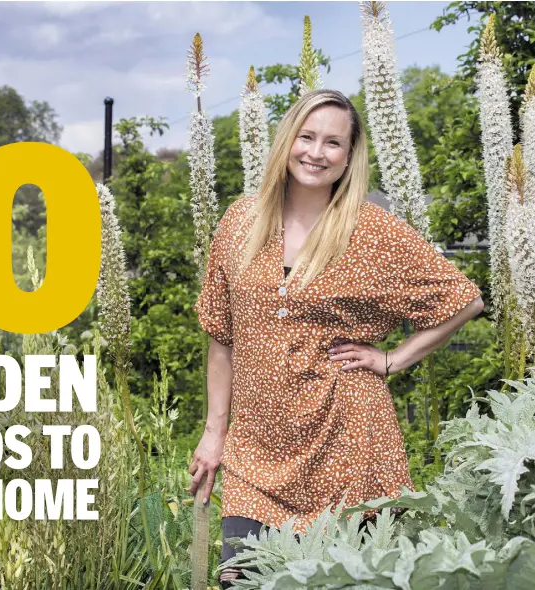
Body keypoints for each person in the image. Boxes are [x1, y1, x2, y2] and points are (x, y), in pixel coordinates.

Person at [190, 89, 484, 588]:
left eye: (333, 143)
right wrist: (215, 433)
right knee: (239, 579)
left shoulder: (370, 230)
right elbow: (223, 338)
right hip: (255, 452)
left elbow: (464, 299)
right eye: (306, 137)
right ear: (287, 141)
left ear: (349, 156)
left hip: (347, 442)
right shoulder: (239, 222)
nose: (316, 153)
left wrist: (393, 359)